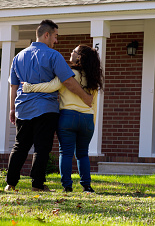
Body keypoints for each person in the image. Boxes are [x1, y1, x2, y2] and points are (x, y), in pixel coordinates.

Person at [5, 20, 93, 192]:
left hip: (23, 108)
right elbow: (68, 80)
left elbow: (13, 85)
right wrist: (85, 97)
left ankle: (10, 183)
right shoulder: (53, 56)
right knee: (42, 147)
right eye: (55, 36)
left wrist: (12, 108)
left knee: (20, 146)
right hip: (46, 109)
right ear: (46, 35)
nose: (56, 41)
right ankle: (37, 184)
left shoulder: (18, 56)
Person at [23, 44, 103, 193]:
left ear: (79, 57)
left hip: (68, 117)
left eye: (74, 51)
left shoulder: (68, 73)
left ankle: (67, 186)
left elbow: (50, 86)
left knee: (65, 153)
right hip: (87, 119)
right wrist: (92, 123)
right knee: (83, 153)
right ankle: (87, 186)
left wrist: (29, 87)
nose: (70, 52)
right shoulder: (93, 78)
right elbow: (94, 104)